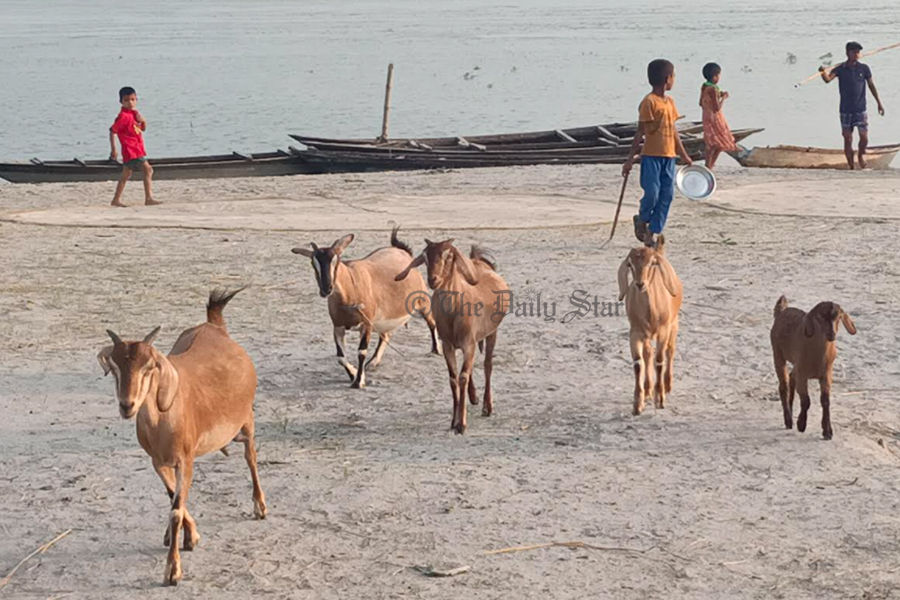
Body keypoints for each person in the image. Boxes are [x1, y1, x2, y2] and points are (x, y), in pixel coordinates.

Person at [623, 59, 693, 248]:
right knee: (652, 194)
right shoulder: (649, 102)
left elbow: (673, 130)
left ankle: (651, 233)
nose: (674, 80)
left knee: (666, 196)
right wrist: (629, 160)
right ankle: (642, 218)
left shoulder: (670, 102)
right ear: (668, 79)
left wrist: (683, 154)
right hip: (651, 157)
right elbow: (640, 132)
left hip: (669, 157)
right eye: (673, 76)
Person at [819, 41, 886, 170]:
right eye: (854, 52)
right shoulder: (840, 69)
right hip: (845, 110)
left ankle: (860, 155)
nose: (856, 54)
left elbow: (871, 86)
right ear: (847, 53)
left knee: (864, 137)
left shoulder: (864, 68)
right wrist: (822, 72)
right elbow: (828, 79)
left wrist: (879, 103)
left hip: (860, 109)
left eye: (858, 52)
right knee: (848, 138)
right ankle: (851, 166)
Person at [109, 86, 160, 207]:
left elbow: (142, 129)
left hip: (137, 149)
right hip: (131, 150)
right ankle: (148, 198)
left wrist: (143, 121)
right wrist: (114, 149)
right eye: (126, 100)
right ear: (121, 101)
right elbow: (112, 131)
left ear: (136, 99)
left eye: (132, 99)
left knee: (125, 175)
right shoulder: (123, 116)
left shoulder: (134, 114)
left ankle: (116, 200)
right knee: (148, 170)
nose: (130, 103)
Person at [699, 62, 738, 170]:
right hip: (715, 118)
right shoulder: (712, 89)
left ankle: (708, 166)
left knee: (712, 142)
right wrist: (723, 98)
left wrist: (718, 96)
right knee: (718, 143)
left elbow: (701, 102)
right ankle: (709, 166)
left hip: (706, 116)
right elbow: (717, 108)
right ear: (715, 76)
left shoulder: (705, 86)